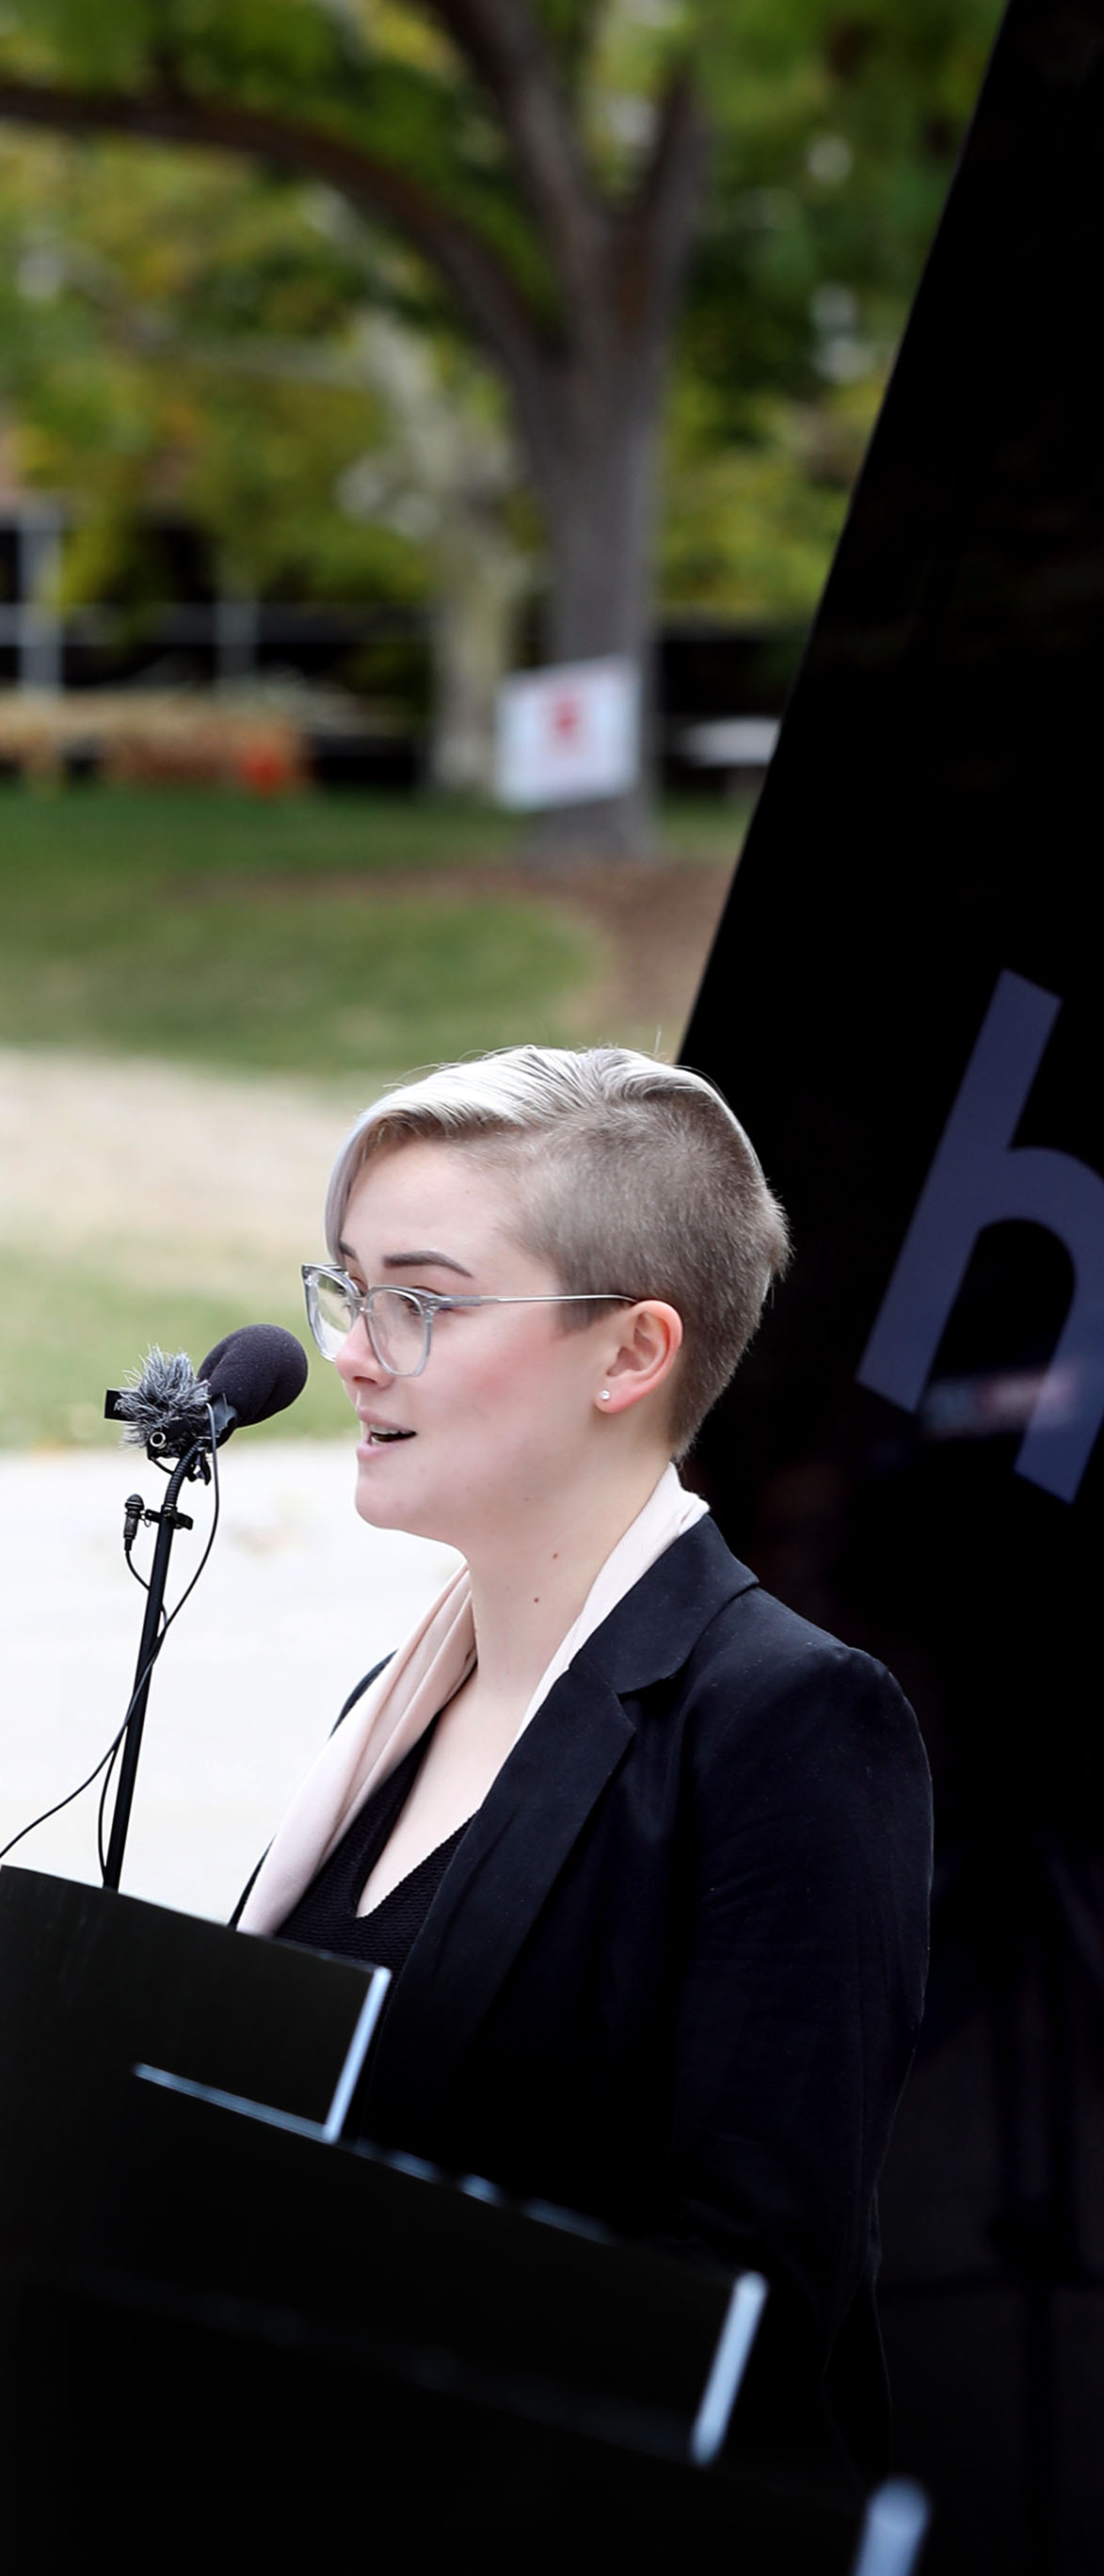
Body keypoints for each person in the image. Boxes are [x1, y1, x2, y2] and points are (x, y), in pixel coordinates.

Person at [238, 1045, 933, 2473]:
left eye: (421, 1300)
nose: (352, 1349)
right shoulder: (396, 1703)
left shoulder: (792, 1727)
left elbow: (741, 2308)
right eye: (351, 1287)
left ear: (632, 1352)